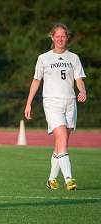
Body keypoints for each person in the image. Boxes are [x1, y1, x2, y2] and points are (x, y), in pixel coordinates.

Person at [24, 23, 87, 191]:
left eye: (63, 36)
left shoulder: (73, 58)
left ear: (67, 38)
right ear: (52, 37)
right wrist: (29, 103)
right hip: (52, 102)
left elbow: (79, 79)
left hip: (70, 102)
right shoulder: (43, 58)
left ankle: (51, 179)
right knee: (61, 140)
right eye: (57, 36)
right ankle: (69, 179)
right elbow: (36, 80)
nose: (60, 39)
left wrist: (82, 91)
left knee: (61, 143)